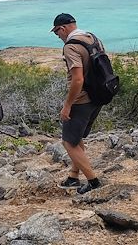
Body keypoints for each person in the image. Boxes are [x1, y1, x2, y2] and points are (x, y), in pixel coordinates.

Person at [51, 13, 104, 194]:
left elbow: (77, 79)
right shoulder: (92, 38)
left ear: (63, 28)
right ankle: (74, 176)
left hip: (82, 100)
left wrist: (67, 105)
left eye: (57, 33)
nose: (58, 36)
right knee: (77, 136)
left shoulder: (71, 46)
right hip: (99, 95)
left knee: (69, 142)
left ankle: (93, 181)